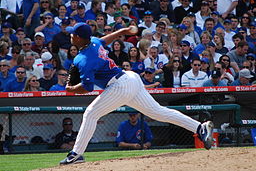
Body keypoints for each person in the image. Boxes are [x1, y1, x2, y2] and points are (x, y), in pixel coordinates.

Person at [60, 23, 214, 164]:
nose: (70, 36)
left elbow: (88, 88)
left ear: (80, 38)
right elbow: (106, 39)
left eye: (73, 34)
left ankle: (76, 154)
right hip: (130, 77)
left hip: (119, 86)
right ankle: (200, 128)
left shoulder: (85, 59)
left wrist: (71, 89)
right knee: (158, 112)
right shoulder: (93, 41)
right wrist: (124, 31)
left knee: (90, 114)